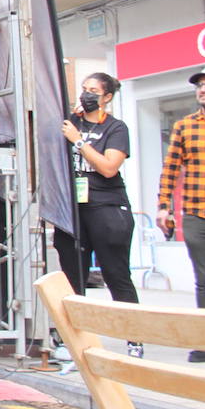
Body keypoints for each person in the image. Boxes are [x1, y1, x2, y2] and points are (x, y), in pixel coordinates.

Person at [52, 73, 142, 356]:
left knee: (116, 274)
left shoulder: (116, 128)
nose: (86, 95)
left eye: (93, 90)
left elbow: (108, 167)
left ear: (107, 97)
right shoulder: (70, 123)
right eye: (83, 89)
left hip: (107, 207)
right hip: (73, 210)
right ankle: (75, 340)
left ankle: (134, 338)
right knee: (73, 277)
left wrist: (79, 142)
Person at [157, 66, 205, 363]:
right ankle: (203, 340)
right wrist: (164, 205)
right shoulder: (184, 126)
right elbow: (171, 168)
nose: (202, 89)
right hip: (196, 213)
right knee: (203, 278)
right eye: (199, 85)